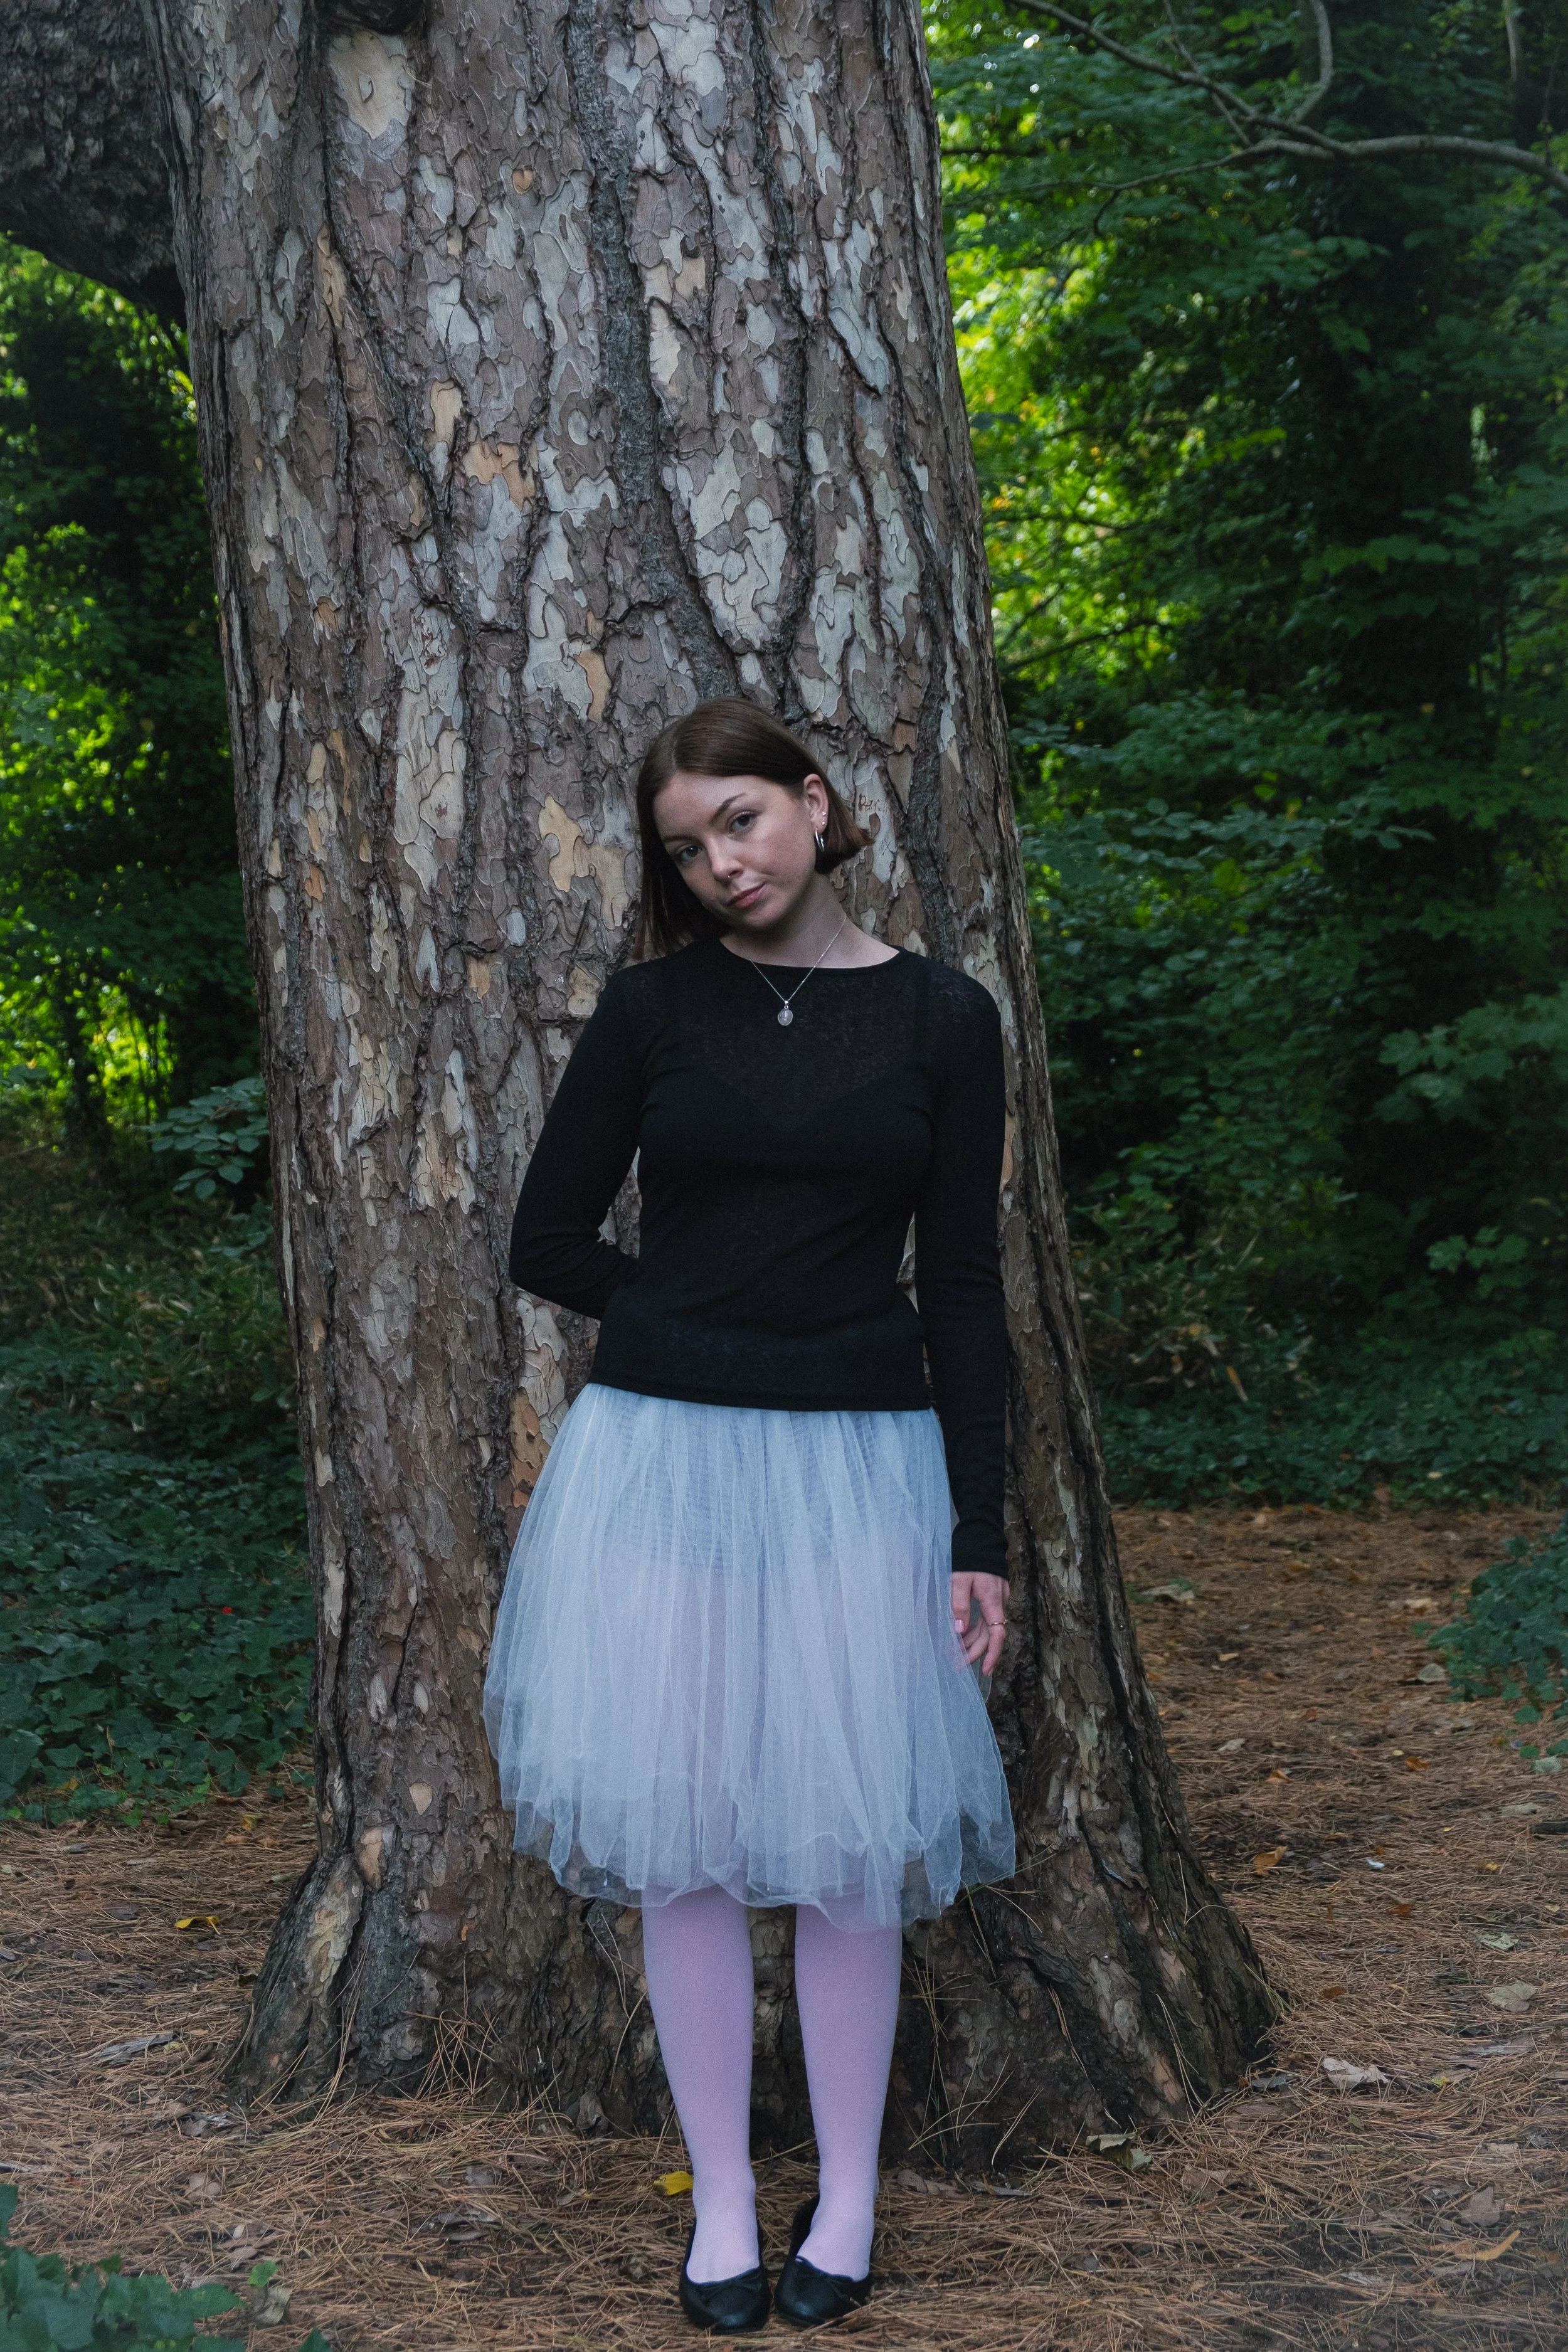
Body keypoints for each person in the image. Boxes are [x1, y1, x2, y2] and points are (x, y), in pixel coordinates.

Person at [484, 697, 1015, 2333]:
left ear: (812, 800)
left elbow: (969, 1292)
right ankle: (722, 2197)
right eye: (685, 846)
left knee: (852, 1845)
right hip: (668, 1462)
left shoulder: (942, 1017)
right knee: (689, 1839)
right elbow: (545, 1235)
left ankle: (843, 2198)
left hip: (867, 1459)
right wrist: (685, 1314)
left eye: (739, 820)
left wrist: (978, 1529)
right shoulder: (651, 1013)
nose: (719, 863)